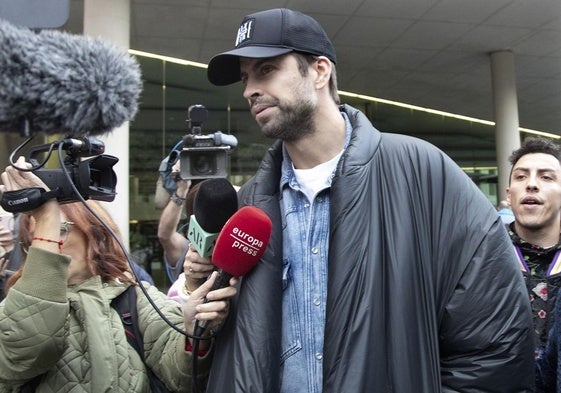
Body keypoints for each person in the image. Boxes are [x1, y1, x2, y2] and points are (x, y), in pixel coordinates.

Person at [198, 7, 534, 392]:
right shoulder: (252, 204)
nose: (249, 90)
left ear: (320, 71)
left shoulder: (422, 172)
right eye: (244, 78)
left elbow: (495, 339)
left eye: (266, 70)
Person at [0, 157, 238, 392]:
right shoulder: (14, 307)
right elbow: (25, 349)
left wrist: (192, 331)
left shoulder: (133, 298)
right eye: (36, 239)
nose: (48, 245)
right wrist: (46, 217)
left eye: (58, 230)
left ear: (93, 234)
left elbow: (183, 378)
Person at [504, 137, 561, 363]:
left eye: (546, 177)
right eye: (521, 176)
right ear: (509, 195)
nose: (531, 184)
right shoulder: (480, 257)